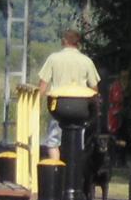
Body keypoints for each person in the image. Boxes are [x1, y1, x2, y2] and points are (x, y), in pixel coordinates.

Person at [37, 29, 100, 162]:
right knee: (78, 141)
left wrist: (35, 104)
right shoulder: (86, 61)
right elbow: (94, 89)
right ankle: (75, 171)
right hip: (80, 108)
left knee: (53, 142)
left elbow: (42, 87)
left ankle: (56, 169)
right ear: (78, 43)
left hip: (59, 105)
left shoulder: (53, 59)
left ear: (64, 41)